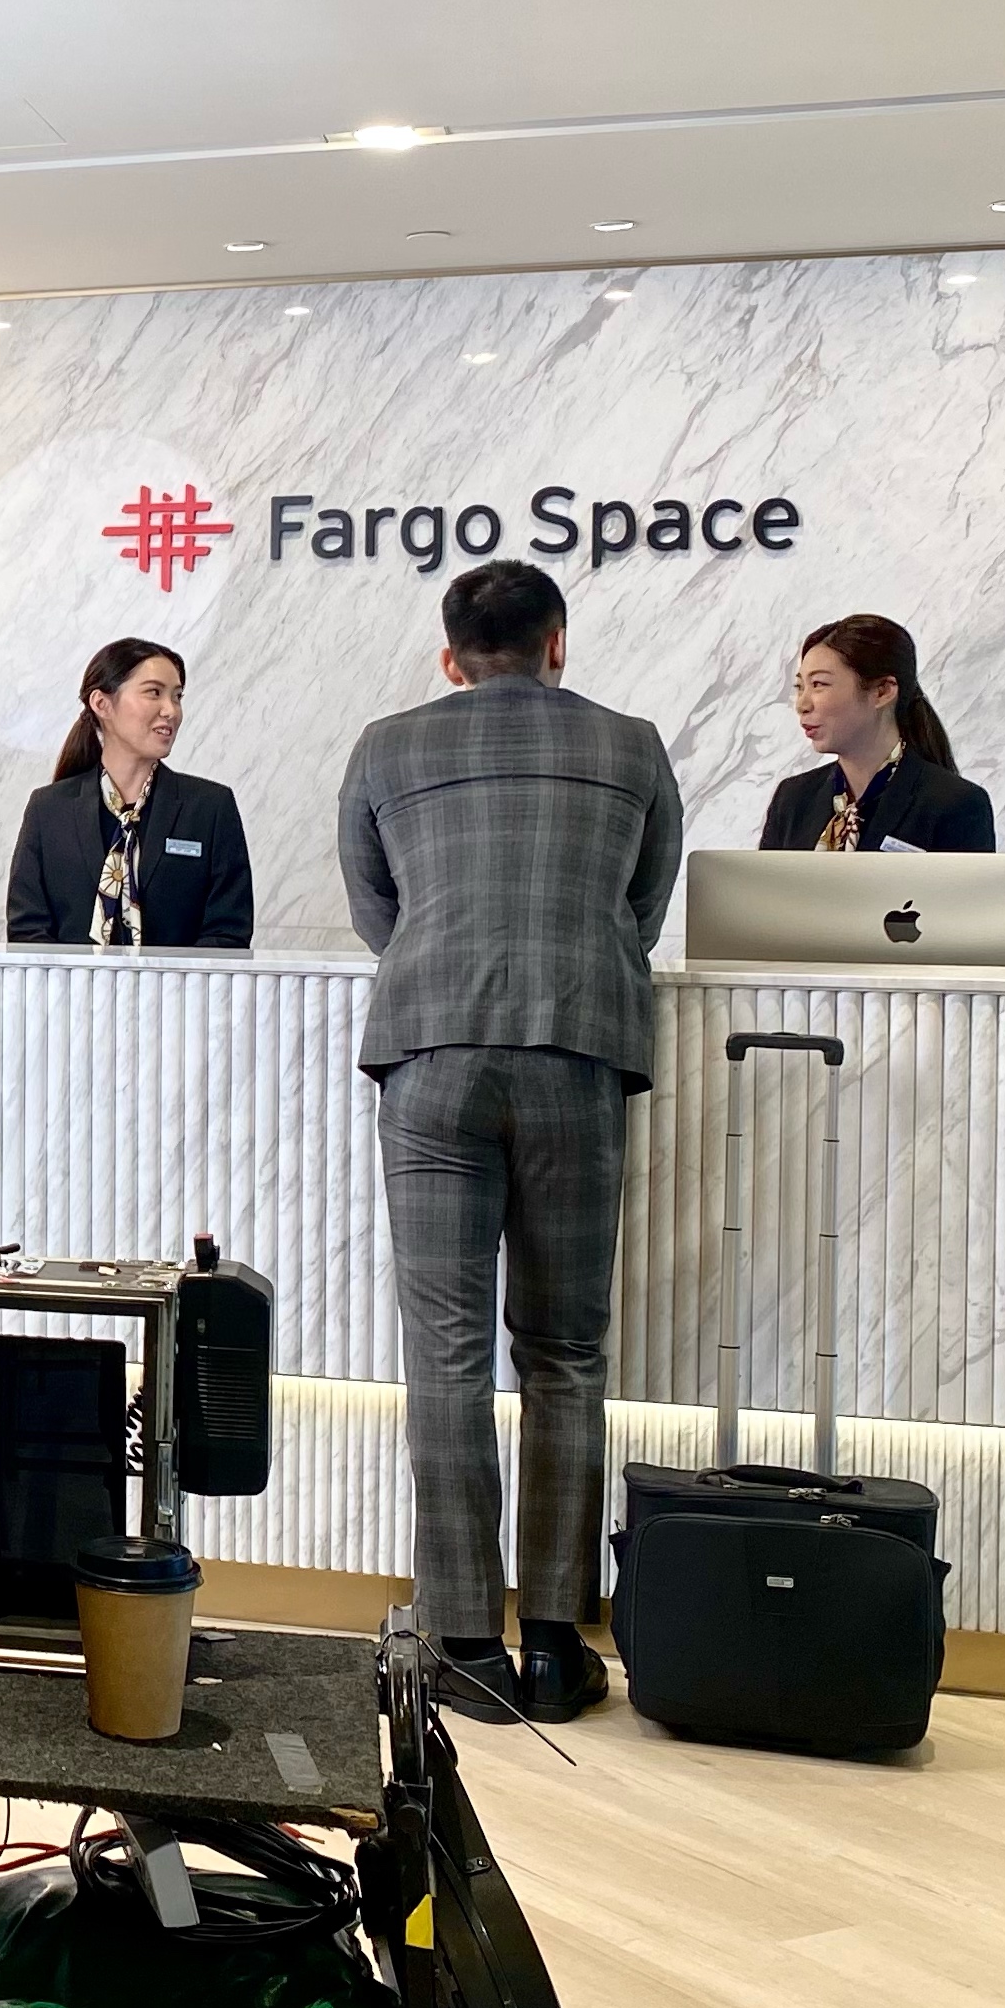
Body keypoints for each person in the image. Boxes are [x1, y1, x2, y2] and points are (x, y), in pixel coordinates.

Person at [336, 560, 684, 1728]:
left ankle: (467, 1648)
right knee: (565, 1353)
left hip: (431, 1052)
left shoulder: (386, 747)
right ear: (558, 643)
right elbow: (641, 911)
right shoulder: (632, 746)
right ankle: (554, 1644)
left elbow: (380, 914)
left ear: (450, 657)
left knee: (446, 1358)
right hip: (578, 1048)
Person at [5, 637, 255, 948]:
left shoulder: (210, 808)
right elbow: (27, 933)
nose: (171, 711)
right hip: (72, 982)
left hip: (180, 983)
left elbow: (228, 934)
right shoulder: (49, 810)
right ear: (102, 704)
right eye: (154, 692)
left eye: (177, 696)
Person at [758, 612, 996, 853]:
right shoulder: (792, 799)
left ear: (882, 691)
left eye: (819, 684)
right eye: (800, 687)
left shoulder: (955, 804)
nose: (802, 705)